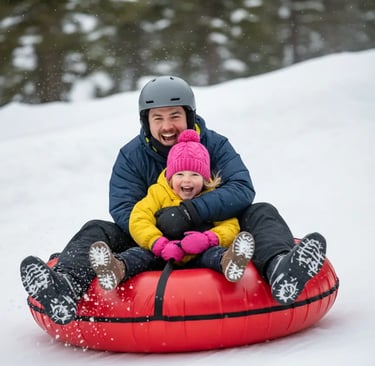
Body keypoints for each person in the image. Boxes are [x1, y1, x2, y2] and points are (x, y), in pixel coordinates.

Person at [20, 75, 326, 326]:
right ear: (147, 122)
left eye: (175, 116)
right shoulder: (132, 155)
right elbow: (123, 207)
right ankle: (64, 288)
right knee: (96, 229)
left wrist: (190, 212)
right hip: (148, 240)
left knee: (261, 212)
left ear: (189, 117)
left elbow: (242, 188)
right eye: (159, 118)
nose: (167, 126)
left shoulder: (214, 145)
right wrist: (157, 231)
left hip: (212, 232)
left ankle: (281, 271)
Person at [88, 129, 255, 291]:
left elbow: (230, 225)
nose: (187, 181)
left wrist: (209, 239)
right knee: (139, 255)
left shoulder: (211, 196)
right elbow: (139, 218)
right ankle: (116, 268)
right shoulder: (158, 193)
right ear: (170, 177)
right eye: (180, 174)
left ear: (205, 179)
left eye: (195, 175)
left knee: (214, 255)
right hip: (161, 252)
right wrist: (158, 244)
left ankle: (230, 262)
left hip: (201, 252)